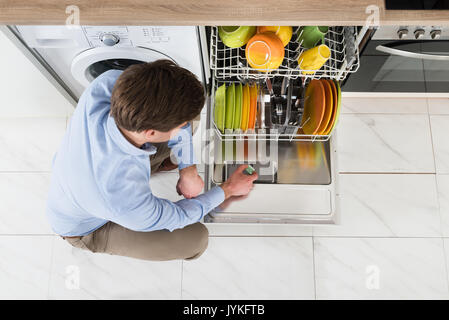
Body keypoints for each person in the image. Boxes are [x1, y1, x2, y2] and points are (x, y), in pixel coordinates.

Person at [46, 59, 257, 261]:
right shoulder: (121, 199)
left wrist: (188, 170)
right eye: (178, 125)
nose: (182, 126)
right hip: (87, 227)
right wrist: (228, 189)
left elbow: (180, 122)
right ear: (150, 133)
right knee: (195, 239)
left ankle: (158, 165)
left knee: (189, 122)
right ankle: (91, 239)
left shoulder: (107, 84)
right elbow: (178, 215)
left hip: (89, 179)